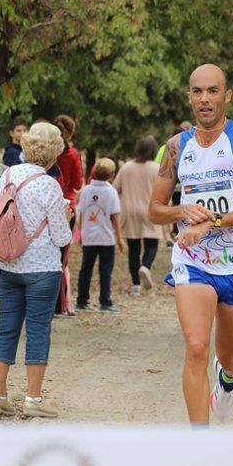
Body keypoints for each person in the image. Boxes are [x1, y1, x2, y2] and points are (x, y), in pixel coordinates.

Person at [148, 64, 233, 427]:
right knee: (197, 347)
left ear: (226, 95)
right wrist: (181, 210)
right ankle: (200, 443)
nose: (205, 99)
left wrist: (211, 223)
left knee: (229, 356)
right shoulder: (175, 147)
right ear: (189, 97)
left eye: (213, 91)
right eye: (198, 91)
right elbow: (154, 211)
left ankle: (227, 379)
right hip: (193, 262)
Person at [0, 122, 73, 419]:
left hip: (6, 264)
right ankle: (33, 397)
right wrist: (66, 216)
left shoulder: (8, 175)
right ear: (54, 153)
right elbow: (62, 238)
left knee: (6, 327)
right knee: (37, 331)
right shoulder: (49, 184)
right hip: (40, 269)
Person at [114, 135, 162, 295]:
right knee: (152, 244)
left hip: (130, 210)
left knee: (133, 248)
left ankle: (135, 285)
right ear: (154, 151)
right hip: (150, 210)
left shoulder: (127, 167)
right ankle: (145, 267)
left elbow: (115, 189)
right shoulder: (156, 168)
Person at [76, 158, 125, 312]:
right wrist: (120, 239)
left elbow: (82, 213)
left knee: (86, 269)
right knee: (105, 271)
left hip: (89, 236)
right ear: (111, 175)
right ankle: (105, 302)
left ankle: (82, 300)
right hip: (106, 238)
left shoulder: (87, 190)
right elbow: (115, 217)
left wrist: (81, 232)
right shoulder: (111, 192)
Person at [53, 114, 84, 317]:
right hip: (67, 207)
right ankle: (62, 304)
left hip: (46, 205)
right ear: (71, 132)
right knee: (62, 260)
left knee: (49, 255)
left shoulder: (50, 153)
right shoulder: (72, 154)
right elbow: (78, 184)